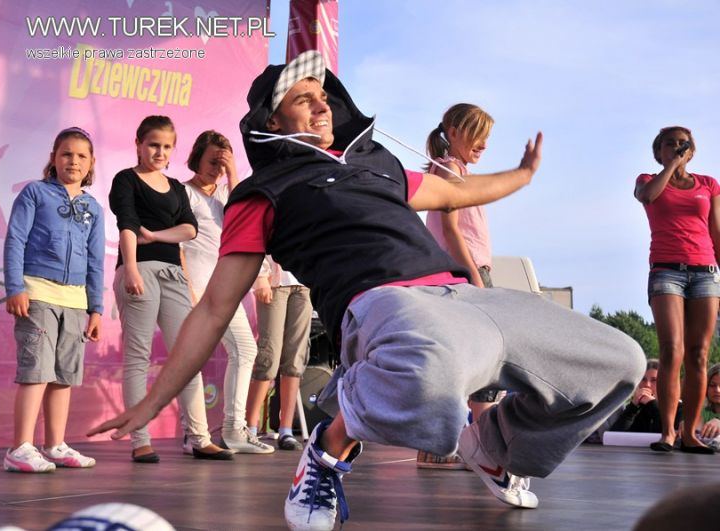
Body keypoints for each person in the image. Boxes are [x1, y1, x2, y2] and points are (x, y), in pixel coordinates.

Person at [90, 51, 645, 530]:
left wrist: (523, 175)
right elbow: (214, 308)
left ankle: (492, 445)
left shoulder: (377, 164)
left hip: (464, 297)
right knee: (430, 375)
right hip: (384, 303)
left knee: (618, 360)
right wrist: (155, 400)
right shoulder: (262, 193)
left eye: (323, 96)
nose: (321, 104)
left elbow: (456, 194)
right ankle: (328, 447)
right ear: (272, 120)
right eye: (303, 99)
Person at [109, 116, 232, 462]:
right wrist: (131, 267)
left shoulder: (176, 187)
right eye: (153, 145)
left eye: (166, 147)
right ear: (138, 144)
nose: (159, 152)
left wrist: (156, 236)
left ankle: (199, 437)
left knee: (187, 355)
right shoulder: (126, 180)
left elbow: (189, 229)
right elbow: (127, 224)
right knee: (138, 356)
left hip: (174, 273)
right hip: (140, 270)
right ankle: (140, 440)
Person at [3, 127, 103, 473]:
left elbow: (96, 260)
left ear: (91, 162)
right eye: (66, 154)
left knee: (63, 375)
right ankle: (20, 448)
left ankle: (55, 445)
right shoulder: (35, 193)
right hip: (38, 295)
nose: (73, 161)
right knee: (37, 371)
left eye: (81, 155)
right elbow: (16, 239)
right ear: (53, 158)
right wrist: (15, 287)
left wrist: (96, 309)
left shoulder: (93, 208)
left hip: (75, 302)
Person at [420, 103, 506, 469]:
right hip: (462, 271)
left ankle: (458, 446)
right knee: (481, 358)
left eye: (487, 137)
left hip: (466, 269)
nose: (483, 144)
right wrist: (474, 274)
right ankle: (472, 447)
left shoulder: (456, 171)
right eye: (477, 135)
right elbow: (452, 231)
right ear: (453, 132)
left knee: (471, 358)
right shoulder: (449, 170)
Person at [179, 131, 269, 455]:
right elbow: (179, 246)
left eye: (223, 162)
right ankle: (194, 434)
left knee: (245, 350)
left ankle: (233, 430)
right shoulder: (183, 193)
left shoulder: (224, 197)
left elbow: (244, 218)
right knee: (193, 358)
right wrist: (187, 288)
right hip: (197, 287)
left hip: (223, 288)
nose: (216, 169)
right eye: (212, 161)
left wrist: (232, 173)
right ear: (197, 158)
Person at [634, 126, 719, 454]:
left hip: (705, 272)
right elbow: (647, 196)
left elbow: (716, 231)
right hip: (666, 271)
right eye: (670, 144)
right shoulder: (647, 180)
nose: (678, 147)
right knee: (672, 349)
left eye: (684, 144)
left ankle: (690, 433)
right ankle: (668, 432)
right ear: (659, 152)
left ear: (693, 151)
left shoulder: (708, 184)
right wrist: (671, 166)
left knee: (699, 354)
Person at [246, 256, 312, 451]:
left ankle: (286, 430)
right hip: (275, 282)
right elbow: (261, 243)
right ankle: (250, 428)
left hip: (304, 284)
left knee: (295, 359)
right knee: (268, 357)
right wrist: (260, 277)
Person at [609, 359, 682, 433]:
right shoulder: (637, 409)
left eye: (654, 380)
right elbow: (614, 435)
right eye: (643, 379)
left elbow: (667, 433)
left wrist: (652, 404)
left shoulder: (679, 408)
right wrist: (632, 407)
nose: (647, 385)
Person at [697, 363, 720, 450]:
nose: (717, 390)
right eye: (712, 385)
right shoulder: (703, 412)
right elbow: (696, 431)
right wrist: (688, 427)